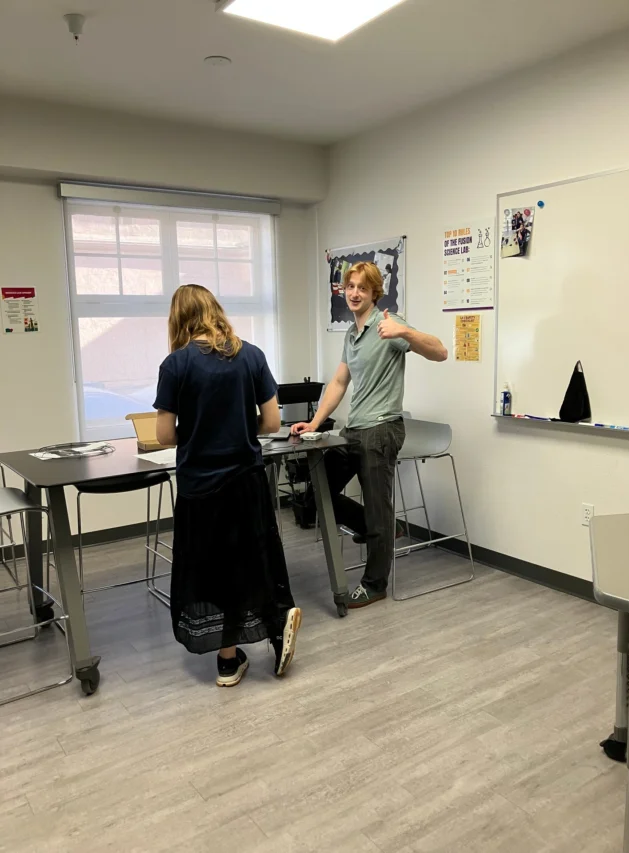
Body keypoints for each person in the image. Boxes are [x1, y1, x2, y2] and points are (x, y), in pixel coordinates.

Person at [154, 284, 301, 687]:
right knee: (252, 560)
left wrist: (201, 429)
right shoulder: (251, 355)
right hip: (246, 481)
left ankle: (227, 660)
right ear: (215, 311)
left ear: (179, 320)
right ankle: (277, 619)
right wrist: (236, 427)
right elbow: (272, 424)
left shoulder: (175, 365)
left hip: (199, 487)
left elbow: (165, 435)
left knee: (211, 570)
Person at [292, 262, 448, 609]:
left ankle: (375, 584)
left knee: (378, 509)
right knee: (317, 492)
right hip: (354, 429)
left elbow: (440, 351)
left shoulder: (389, 324)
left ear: (375, 292)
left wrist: (404, 333)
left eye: (362, 288)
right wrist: (316, 422)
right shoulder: (352, 334)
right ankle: (383, 530)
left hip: (382, 429)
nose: (355, 293)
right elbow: (339, 382)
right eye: (350, 287)